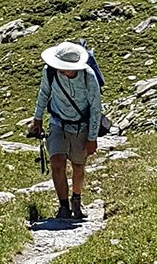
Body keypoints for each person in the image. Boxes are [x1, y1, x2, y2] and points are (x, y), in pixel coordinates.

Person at [30, 42, 106, 227]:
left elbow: (96, 109)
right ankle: (63, 206)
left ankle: (76, 200)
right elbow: (44, 93)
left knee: (78, 165)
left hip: (81, 126)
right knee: (57, 162)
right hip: (57, 122)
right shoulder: (50, 71)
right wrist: (37, 118)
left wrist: (92, 138)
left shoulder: (88, 77)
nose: (61, 70)